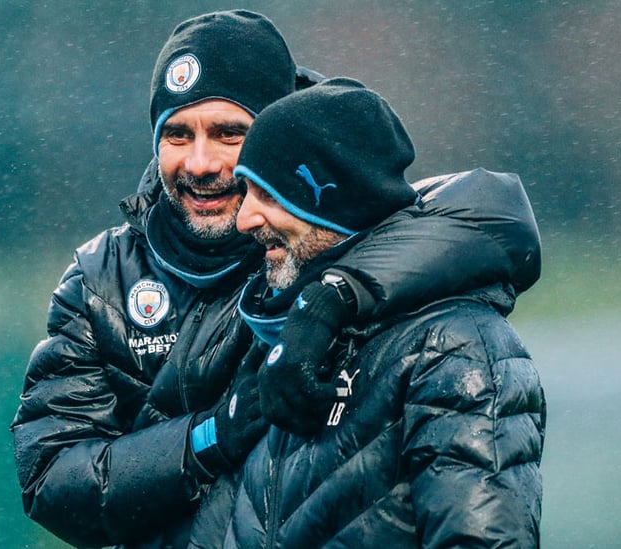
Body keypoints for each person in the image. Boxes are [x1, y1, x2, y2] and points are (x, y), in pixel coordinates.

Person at [11, 10, 542, 549]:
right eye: (176, 133)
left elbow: (493, 217)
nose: (200, 162)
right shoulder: (101, 278)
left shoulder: (324, 241)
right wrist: (210, 436)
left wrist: (332, 297)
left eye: (228, 133)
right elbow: (51, 479)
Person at [195, 77, 546, 548]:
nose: (244, 219)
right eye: (245, 193)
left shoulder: (454, 348)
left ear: (332, 201)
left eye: (268, 194)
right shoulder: (288, 343)